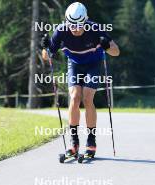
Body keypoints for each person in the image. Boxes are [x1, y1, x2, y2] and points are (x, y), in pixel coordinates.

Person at [42, 2, 120, 157]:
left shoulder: (95, 29)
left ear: (86, 20)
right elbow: (47, 57)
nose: (76, 29)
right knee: (75, 97)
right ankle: (74, 141)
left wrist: (106, 46)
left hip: (93, 64)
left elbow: (116, 52)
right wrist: (45, 48)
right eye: (72, 25)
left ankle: (91, 141)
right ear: (66, 21)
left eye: (79, 25)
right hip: (75, 64)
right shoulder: (61, 31)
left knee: (87, 97)